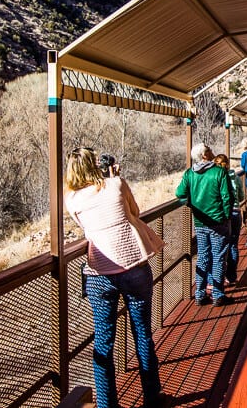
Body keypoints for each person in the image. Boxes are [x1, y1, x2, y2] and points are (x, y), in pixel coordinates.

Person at [64, 147, 165, 408]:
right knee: (142, 334)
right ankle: (152, 397)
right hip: (133, 267)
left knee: (103, 342)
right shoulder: (116, 184)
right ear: (95, 165)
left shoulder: (72, 199)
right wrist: (112, 176)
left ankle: (107, 405)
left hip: (100, 273)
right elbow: (134, 210)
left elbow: (86, 226)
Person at [175, 143, 234, 306]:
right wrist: (226, 216)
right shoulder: (219, 172)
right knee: (219, 257)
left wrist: (190, 204)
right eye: (209, 150)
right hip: (218, 222)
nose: (212, 152)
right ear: (204, 156)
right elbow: (227, 197)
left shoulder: (189, 174)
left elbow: (179, 193)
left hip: (200, 222)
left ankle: (200, 294)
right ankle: (217, 294)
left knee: (203, 257)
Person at [213, 153, 245, 285]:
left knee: (219, 246)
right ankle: (231, 276)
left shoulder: (215, 177)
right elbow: (242, 196)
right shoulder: (235, 177)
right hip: (236, 212)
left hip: (222, 214)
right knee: (233, 245)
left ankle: (217, 279)